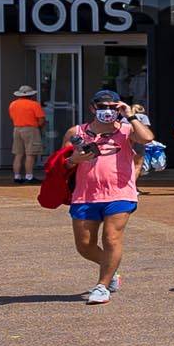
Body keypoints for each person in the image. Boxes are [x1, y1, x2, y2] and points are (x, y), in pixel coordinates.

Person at [65, 89, 154, 305]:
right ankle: (112, 270)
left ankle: (102, 286)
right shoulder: (76, 132)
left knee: (111, 237)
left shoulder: (126, 130)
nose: (107, 111)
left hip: (120, 192)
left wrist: (130, 115)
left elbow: (147, 138)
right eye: (102, 107)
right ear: (92, 108)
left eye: (112, 107)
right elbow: (61, 163)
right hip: (85, 195)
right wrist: (74, 160)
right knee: (84, 245)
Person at [7, 84, 49, 183]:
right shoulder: (34, 104)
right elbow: (41, 119)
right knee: (30, 154)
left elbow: (12, 117)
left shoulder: (13, 104)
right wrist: (39, 127)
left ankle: (17, 176)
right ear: (31, 95)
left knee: (18, 154)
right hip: (31, 129)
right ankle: (29, 176)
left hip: (17, 129)